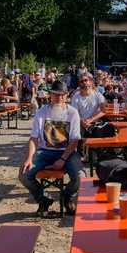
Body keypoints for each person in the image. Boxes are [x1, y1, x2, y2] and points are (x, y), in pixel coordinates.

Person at [18, 80, 83, 216]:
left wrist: (63, 159)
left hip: (67, 152)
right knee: (24, 175)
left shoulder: (73, 113)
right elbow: (34, 138)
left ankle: (67, 197)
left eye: (62, 95)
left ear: (66, 95)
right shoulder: (41, 113)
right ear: (50, 95)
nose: (58, 98)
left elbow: (75, 140)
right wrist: (29, 158)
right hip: (45, 151)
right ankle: (44, 199)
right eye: (55, 94)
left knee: (80, 176)